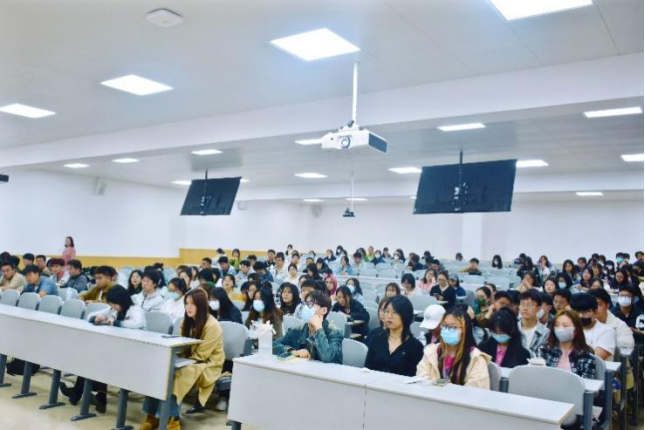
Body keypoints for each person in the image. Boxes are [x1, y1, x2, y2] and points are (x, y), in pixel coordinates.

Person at [140, 289, 225, 430]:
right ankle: (151, 416)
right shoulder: (186, 321)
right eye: (186, 303)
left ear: (201, 306)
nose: (188, 307)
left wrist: (179, 362)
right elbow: (182, 346)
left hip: (207, 364)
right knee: (160, 370)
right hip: (189, 360)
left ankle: (173, 420)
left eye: (193, 304)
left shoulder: (213, 326)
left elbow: (202, 355)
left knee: (177, 374)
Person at [417, 308, 491, 389]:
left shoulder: (476, 358)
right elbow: (421, 377)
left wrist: (445, 390)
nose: (447, 330)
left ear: (465, 330)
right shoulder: (431, 351)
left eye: (452, 327)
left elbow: (477, 388)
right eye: (444, 326)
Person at [273, 291, 344, 364]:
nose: (305, 307)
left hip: (328, 370)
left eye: (310, 304)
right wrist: (293, 351)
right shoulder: (297, 330)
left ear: (323, 310)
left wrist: (319, 329)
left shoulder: (335, 332)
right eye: (305, 304)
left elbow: (327, 357)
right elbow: (274, 345)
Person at [365, 296, 424, 376]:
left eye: (395, 312)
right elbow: (367, 370)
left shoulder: (415, 347)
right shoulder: (376, 339)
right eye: (387, 311)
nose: (389, 316)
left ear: (405, 315)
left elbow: (412, 377)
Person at [539, 310, 596, 379]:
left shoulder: (586, 355)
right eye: (556, 325)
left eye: (565, 326)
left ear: (576, 330)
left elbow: (587, 382)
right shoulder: (544, 350)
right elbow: (539, 377)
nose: (559, 329)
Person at [570, 293, 616, 361]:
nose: (580, 316)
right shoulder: (568, 329)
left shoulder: (607, 331)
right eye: (577, 312)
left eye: (585, 312)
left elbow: (595, 359)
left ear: (595, 311)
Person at [518, 290, 549, 356]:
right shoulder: (512, 329)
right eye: (522, 304)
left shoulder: (545, 333)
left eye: (530, 305)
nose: (525, 308)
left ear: (538, 308)